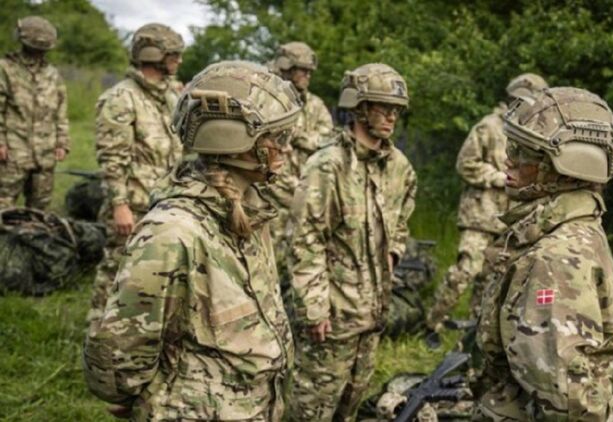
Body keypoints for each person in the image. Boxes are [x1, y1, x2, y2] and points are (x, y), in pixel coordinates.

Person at [83, 60, 301, 421]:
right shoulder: (173, 232)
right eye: (276, 138)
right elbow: (118, 360)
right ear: (233, 139)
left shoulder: (249, 211)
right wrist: (145, 394)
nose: (286, 148)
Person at [474, 87, 613, 421]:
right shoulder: (572, 227)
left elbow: (569, 404)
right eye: (511, 145)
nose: (508, 159)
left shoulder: (554, 260)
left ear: (564, 167)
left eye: (523, 151)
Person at [286, 63, 417, 421]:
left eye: (396, 109)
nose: (391, 116)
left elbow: (402, 216)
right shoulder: (328, 166)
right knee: (312, 408)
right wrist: (314, 308)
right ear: (359, 107)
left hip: (373, 313)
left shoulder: (399, 167)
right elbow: (304, 240)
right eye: (383, 107)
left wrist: (394, 252)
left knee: (351, 405)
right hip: (332, 318)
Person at [425, 73, 548, 341]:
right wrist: (496, 177)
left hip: (510, 220)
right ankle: (432, 325)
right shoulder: (489, 126)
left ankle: (472, 332)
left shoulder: (532, 135)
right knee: (465, 271)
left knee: (491, 279)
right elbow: (465, 164)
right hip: (480, 216)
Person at [87, 23, 184, 328]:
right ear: (154, 55)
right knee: (116, 270)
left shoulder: (168, 96)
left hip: (164, 201)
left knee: (154, 273)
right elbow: (112, 159)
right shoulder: (121, 98)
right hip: (133, 204)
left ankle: (136, 332)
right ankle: (99, 331)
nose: (179, 61)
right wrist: (119, 204)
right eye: (174, 55)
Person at [266, 41, 333, 285]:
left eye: (309, 71)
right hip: (271, 199)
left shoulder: (314, 105)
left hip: (305, 197)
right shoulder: (267, 100)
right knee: (269, 266)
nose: (308, 75)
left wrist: (297, 136)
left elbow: (327, 140)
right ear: (286, 68)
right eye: (302, 70)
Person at [0, 16, 69, 210]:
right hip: (13, 151)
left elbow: (61, 110)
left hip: (45, 153)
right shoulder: (5, 69)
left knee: (39, 206)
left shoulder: (52, 74)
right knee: (4, 201)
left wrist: (62, 142)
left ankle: (30, 229)